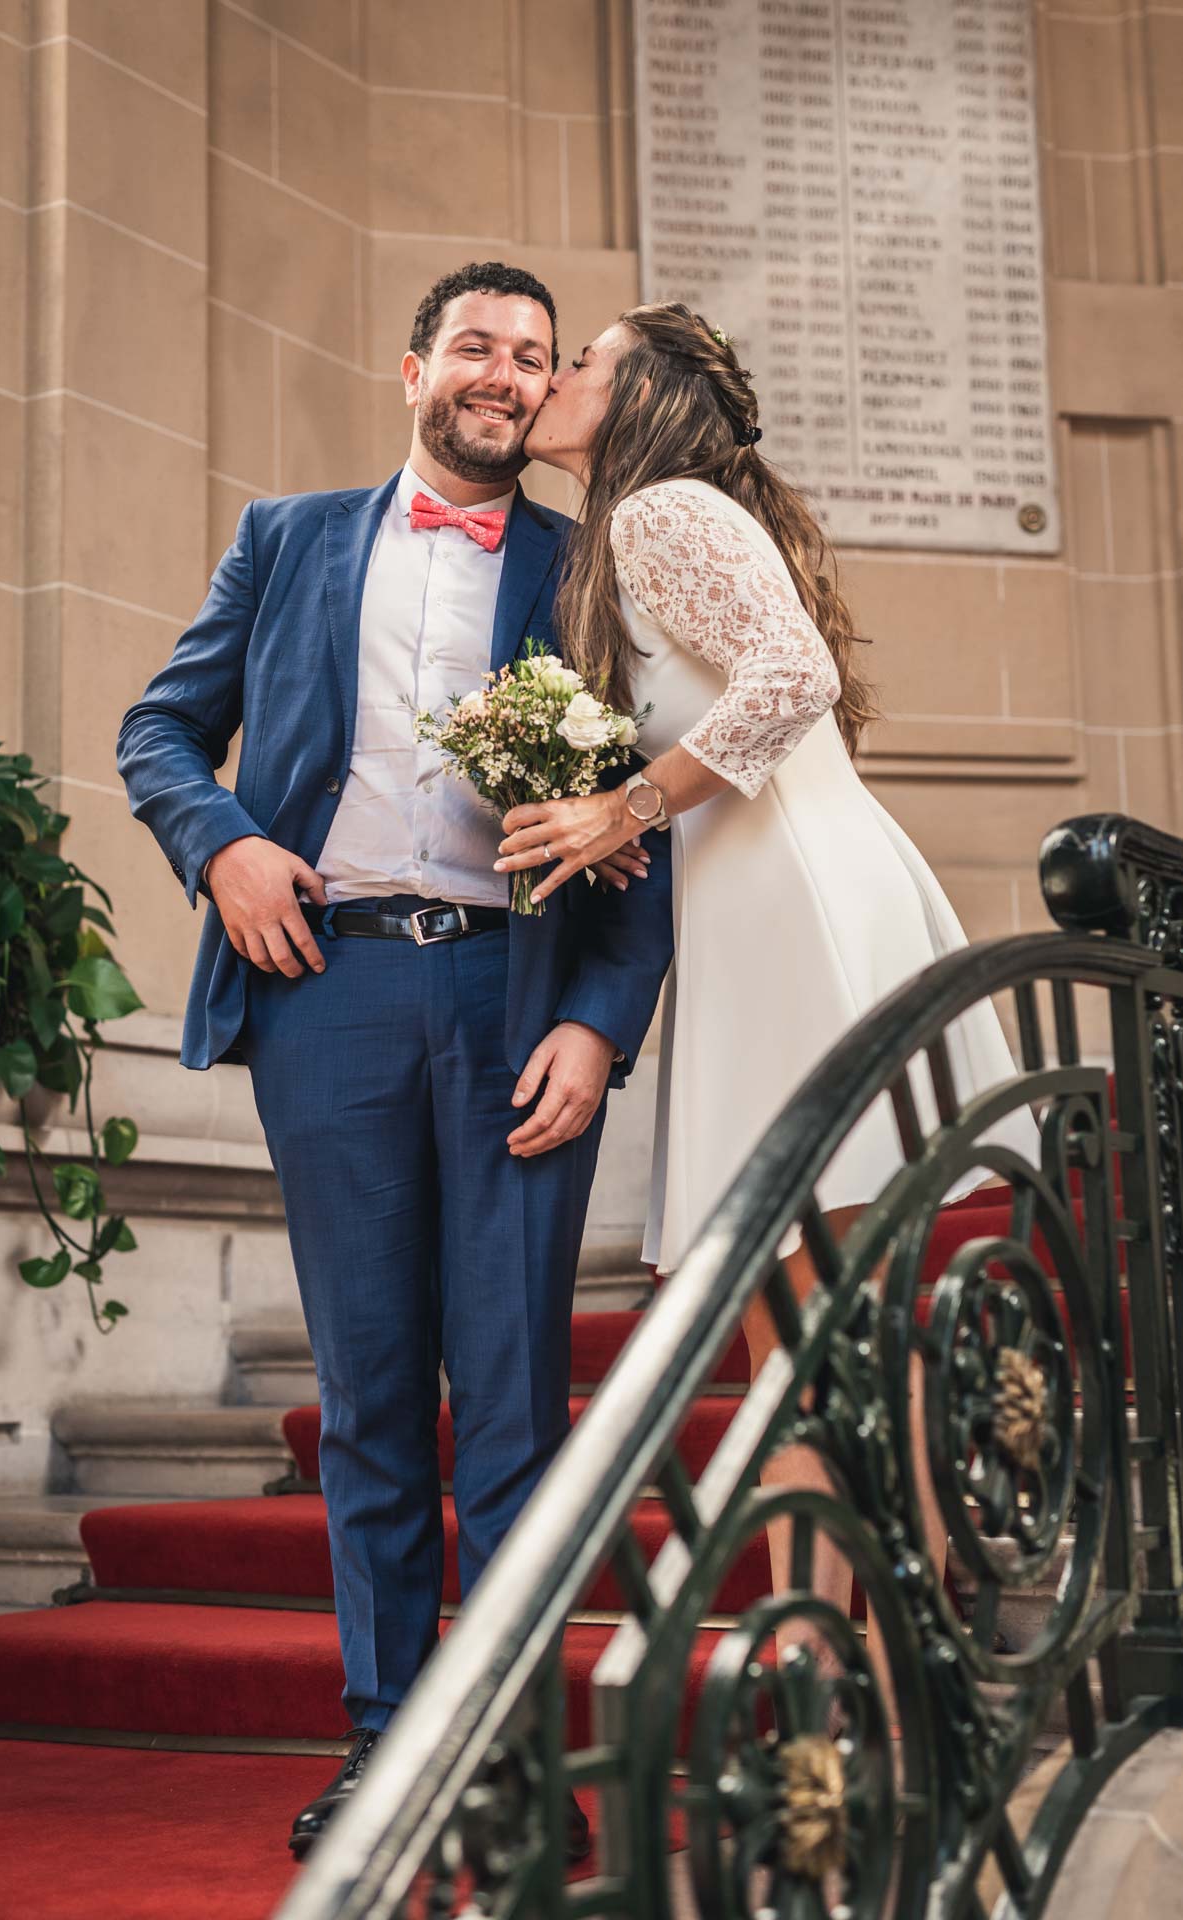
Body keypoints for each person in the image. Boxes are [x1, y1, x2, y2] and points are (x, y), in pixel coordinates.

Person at [115, 263, 674, 1859]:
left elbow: (643, 819)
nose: (506, 374)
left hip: (517, 998)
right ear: (413, 367)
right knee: (369, 1397)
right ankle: (386, 1745)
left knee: (508, 1400)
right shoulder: (286, 540)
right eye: (478, 349)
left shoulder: (589, 570)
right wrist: (220, 847)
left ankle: (504, 1753)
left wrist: (599, 1017)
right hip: (329, 995)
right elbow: (161, 730)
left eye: (535, 358)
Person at [495, 299, 1035, 1654]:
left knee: (794, 1334)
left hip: (788, 915)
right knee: (831, 1323)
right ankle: (902, 1646)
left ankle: (820, 1667)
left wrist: (620, 811)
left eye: (580, 363)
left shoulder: (655, 513)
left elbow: (785, 676)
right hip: (770, 908)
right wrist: (621, 804)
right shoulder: (652, 526)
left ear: (642, 396)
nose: (554, 380)